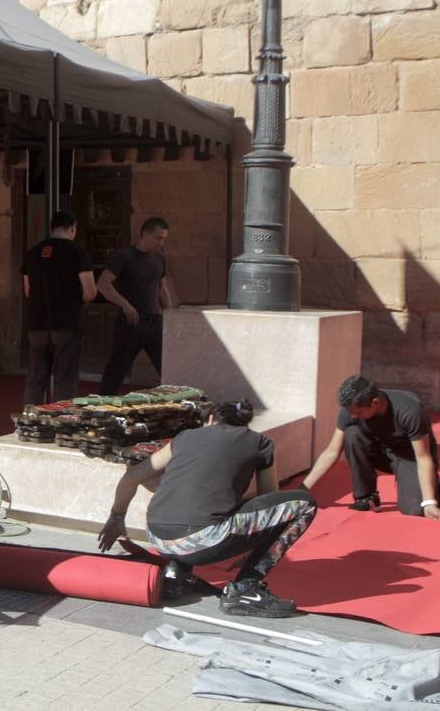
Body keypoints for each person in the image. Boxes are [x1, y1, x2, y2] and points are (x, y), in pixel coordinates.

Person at [97, 401, 316, 618]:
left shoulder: (185, 438)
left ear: (210, 419)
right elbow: (271, 499)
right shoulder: (259, 442)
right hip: (203, 540)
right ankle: (245, 588)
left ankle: (176, 574)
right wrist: (253, 544)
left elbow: (131, 478)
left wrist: (117, 516)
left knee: (189, 500)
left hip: (158, 539)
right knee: (304, 504)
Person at [303, 375, 440, 522]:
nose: (353, 415)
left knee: (415, 509)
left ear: (375, 403)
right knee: (352, 434)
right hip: (381, 453)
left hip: (410, 457)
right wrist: (303, 488)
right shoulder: (351, 409)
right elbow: (331, 452)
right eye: (351, 411)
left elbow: (423, 457)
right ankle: (367, 498)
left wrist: (429, 502)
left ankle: (439, 492)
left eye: (358, 412)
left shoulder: (409, 410)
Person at [21, 210, 96, 405]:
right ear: (72, 228)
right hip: (66, 323)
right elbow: (90, 291)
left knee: (36, 378)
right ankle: (61, 422)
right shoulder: (77, 252)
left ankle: (30, 422)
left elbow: (28, 291)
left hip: (36, 323)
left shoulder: (33, 252)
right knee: (65, 378)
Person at [97, 217, 175, 396]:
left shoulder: (160, 258)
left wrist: (170, 316)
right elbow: (103, 284)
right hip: (131, 323)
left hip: (155, 322)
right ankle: (101, 409)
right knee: (116, 371)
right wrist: (125, 304)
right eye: (158, 238)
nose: (161, 242)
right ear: (145, 234)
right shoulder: (124, 256)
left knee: (169, 369)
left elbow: (162, 289)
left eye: (164, 238)